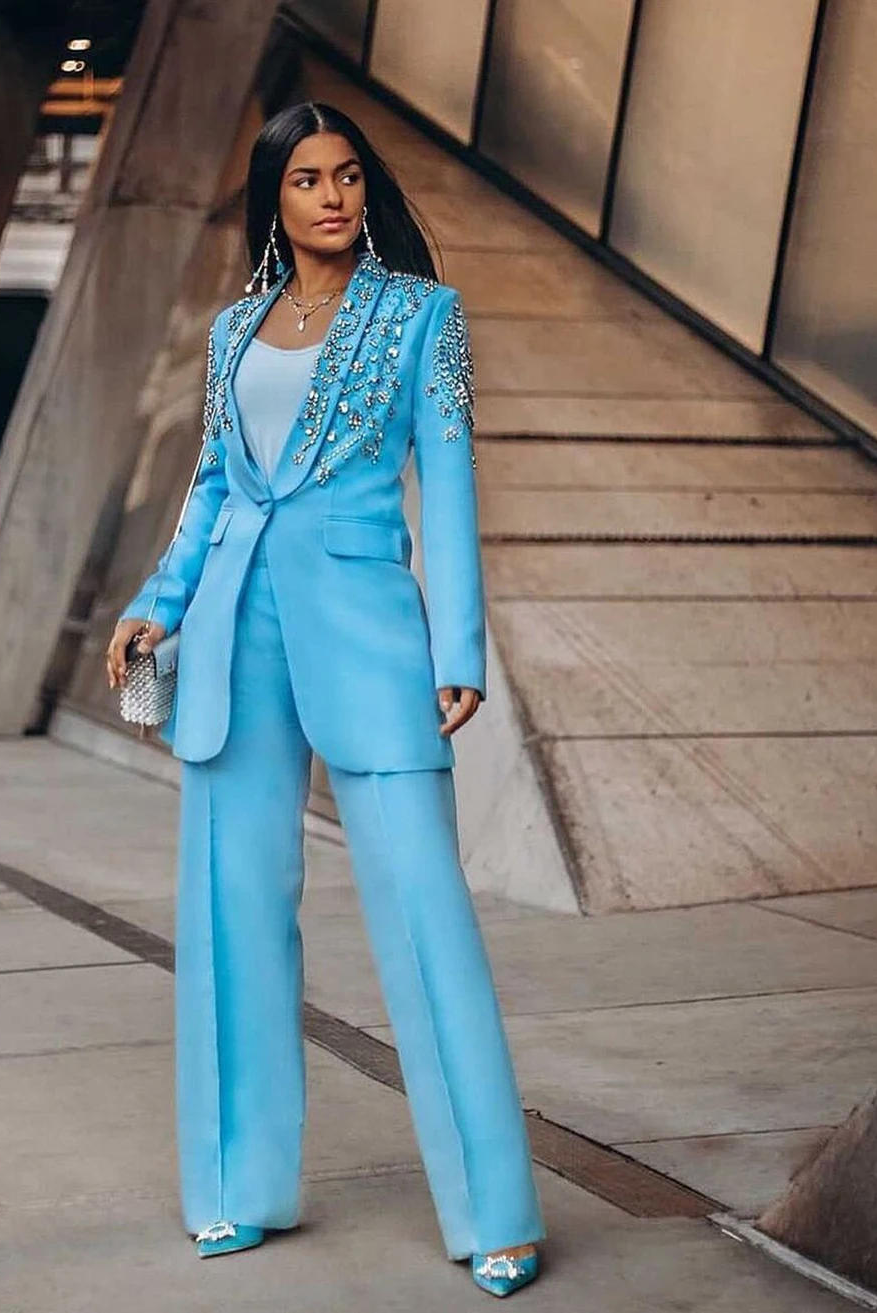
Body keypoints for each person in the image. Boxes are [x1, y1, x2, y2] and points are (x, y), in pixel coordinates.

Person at [106, 100, 544, 1298]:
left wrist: (458, 645)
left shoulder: (423, 318)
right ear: (276, 198)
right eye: (307, 180)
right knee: (231, 910)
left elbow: (445, 486)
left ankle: (494, 1211)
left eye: (349, 175)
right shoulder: (233, 330)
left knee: (422, 907)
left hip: (369, 635)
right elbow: (211, 486)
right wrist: (156, 600)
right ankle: (239, 1190)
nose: (334, 197)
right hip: (231, 632)